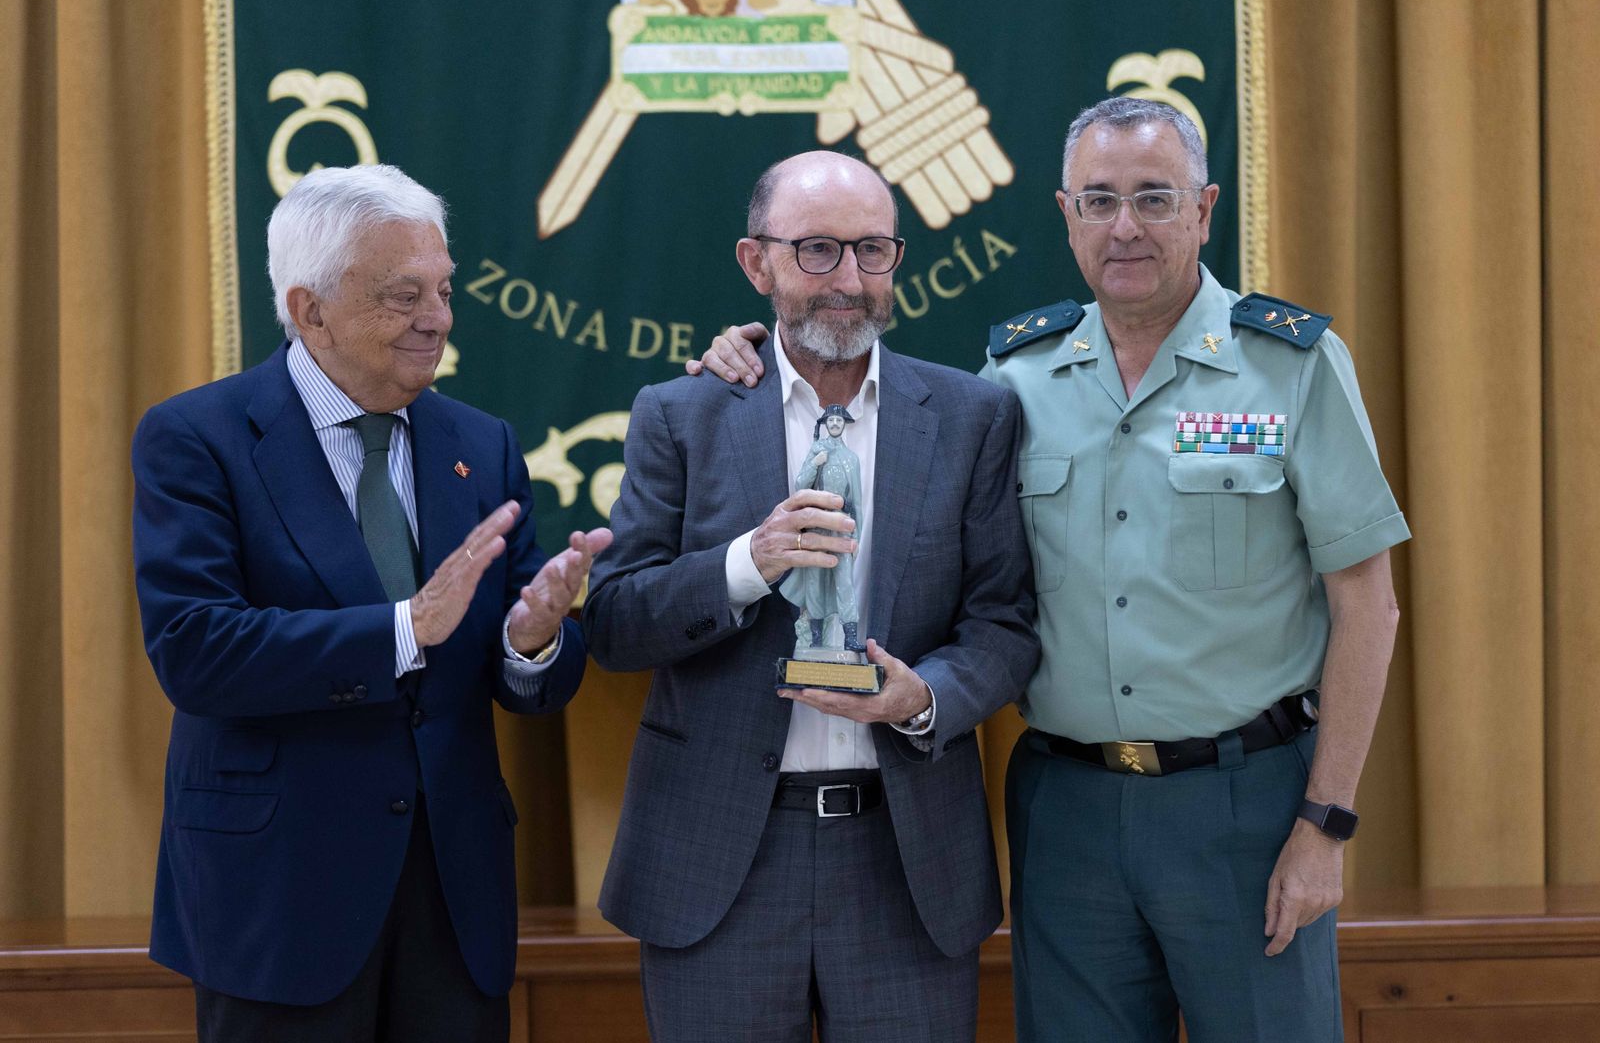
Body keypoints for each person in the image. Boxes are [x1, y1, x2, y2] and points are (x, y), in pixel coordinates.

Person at [690, 97, 1410, 1042]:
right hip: (1067, 811)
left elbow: (1369, 604)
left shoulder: (1292, 367)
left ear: (1205, 209)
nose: (1125, 227)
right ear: (1065, 215)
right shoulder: (1010, 383)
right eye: (1099, 200)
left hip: (1245, 806)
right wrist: (750, 349)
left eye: (1155, 199)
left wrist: (1327, 822)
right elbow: (887, 448)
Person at [132, 164, 611, 1042]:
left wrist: (533, 640)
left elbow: (523, 675)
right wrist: (404, 629)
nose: (439, 318)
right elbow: (196, 651)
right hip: (278, 897)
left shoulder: (482, 443)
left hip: (453, 897)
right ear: (310, 308)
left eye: (442, 289)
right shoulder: (197, 437)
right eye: (404, 296)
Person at [583, 150, 1038, 1041]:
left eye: (873, 251)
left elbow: (1005, 621)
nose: (849, 280)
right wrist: (747, 563)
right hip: (723, 864)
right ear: (758, 264)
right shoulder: (684, 413)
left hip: (905, 865)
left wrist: (927, 698)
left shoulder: (971, 417)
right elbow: (613, 623)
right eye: (818, 251)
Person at [782, 404, 864, 651]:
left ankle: (850, 638)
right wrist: (815, 463)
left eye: (839, 420)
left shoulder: (851, 458)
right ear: (826, 424)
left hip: (841, 526)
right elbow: (801, 484)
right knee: (815, 582)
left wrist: (856, 536)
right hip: (817, 525)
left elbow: (857, 500)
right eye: (832, 420)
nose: (836, 424)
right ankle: (816, 639)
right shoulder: (817, 449)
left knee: (845, 584)